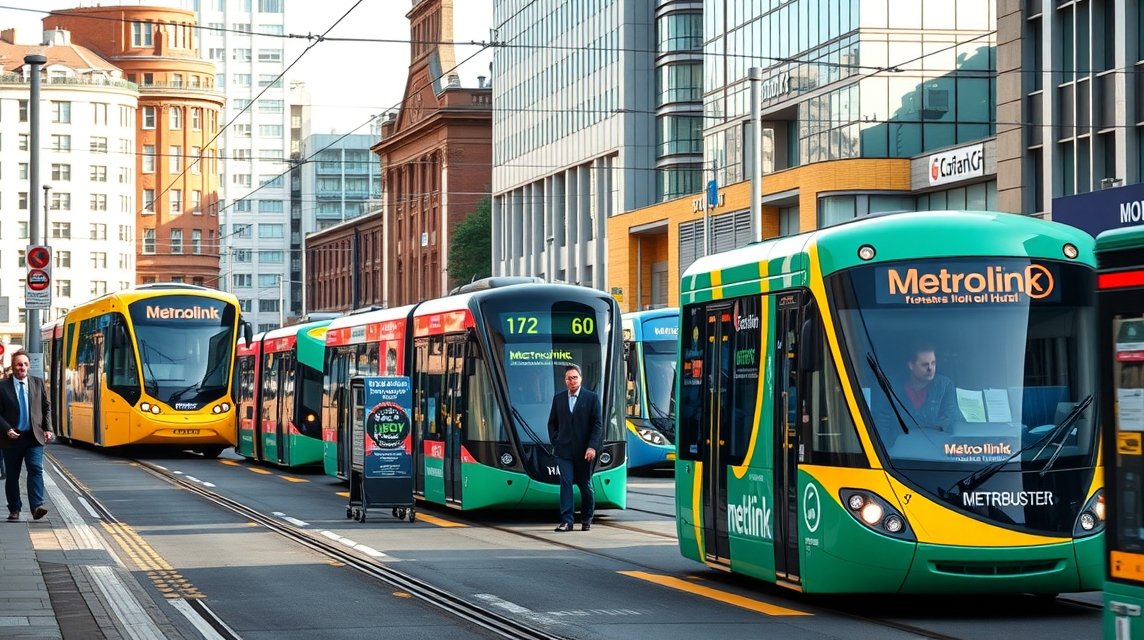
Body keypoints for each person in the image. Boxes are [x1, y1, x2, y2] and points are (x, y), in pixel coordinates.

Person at [547, 363, 602, 532]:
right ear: (565, 381)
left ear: (581, 379)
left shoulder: (591, 398)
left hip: (585, 452)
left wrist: (592, 447)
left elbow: (597, 425)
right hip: (564, 451)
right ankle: (567, 520)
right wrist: (556, 441)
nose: (572, 381)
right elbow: (552, 423)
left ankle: (586, 518)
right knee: (566, 482)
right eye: (568, 378)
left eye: (575, 378)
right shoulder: (559, 398)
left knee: (585, 485)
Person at [0, 350, 55, 522]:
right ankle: (14, 509)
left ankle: (37, 506)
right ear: (13, 366)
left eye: (24, 364)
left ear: (29, 366)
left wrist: (48, 429)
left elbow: (46, 407)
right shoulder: (2, 386)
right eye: (18, 364)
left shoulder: (37, 383)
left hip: (33, 437)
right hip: (11, 437)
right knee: (12, 475)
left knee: (35, 469)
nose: (22, 367)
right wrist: (7, 429)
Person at [887, 343, 959, 432]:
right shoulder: (891, 387)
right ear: (911, 365)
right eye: (925, 364)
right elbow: (883, 422)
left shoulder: (945, 386)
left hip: (935, 443)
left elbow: (948, 421)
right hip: (899, 444)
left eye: (933, 363)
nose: (930, 368)